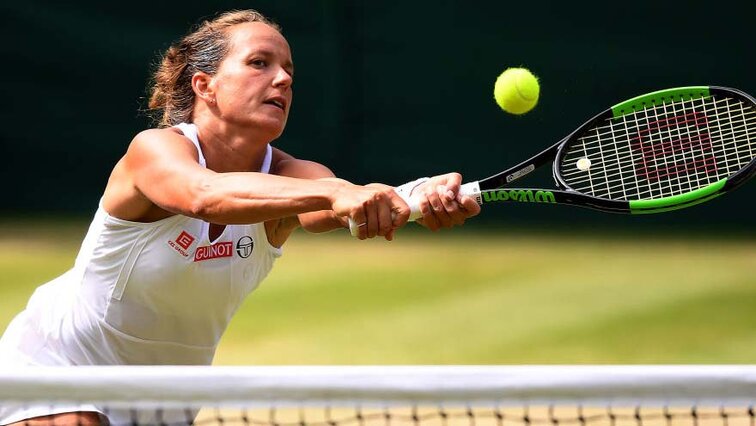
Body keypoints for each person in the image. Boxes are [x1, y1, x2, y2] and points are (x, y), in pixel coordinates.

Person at [0, 9, 480, 426]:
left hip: (163, 397)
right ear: (204, 85)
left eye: (289, 69)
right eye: (259, 63)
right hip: (57, 364)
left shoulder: (296, 174)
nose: (284, 79)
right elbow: (204, 195)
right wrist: (338, 192)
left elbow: (343, 211)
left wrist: (420, 199)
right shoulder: (156, 151)